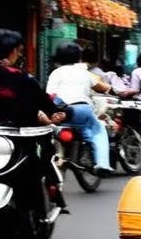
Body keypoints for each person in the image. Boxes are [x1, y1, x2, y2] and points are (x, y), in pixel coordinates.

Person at [0, 29, 65, 129]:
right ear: (13, 50)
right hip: (19, 135)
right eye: (19, 50)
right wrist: (55, 112)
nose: (20, 54)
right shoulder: (23, 77)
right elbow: (43, 101)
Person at [46, 42, 112, 172]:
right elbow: (101, 87)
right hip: (82, 111)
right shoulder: (84, 73)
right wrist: (111, 88)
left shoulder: (56, 73)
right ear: (78, 58)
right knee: (98, 130)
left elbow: (50, 95)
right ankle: (103, 163)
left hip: (62, 113)